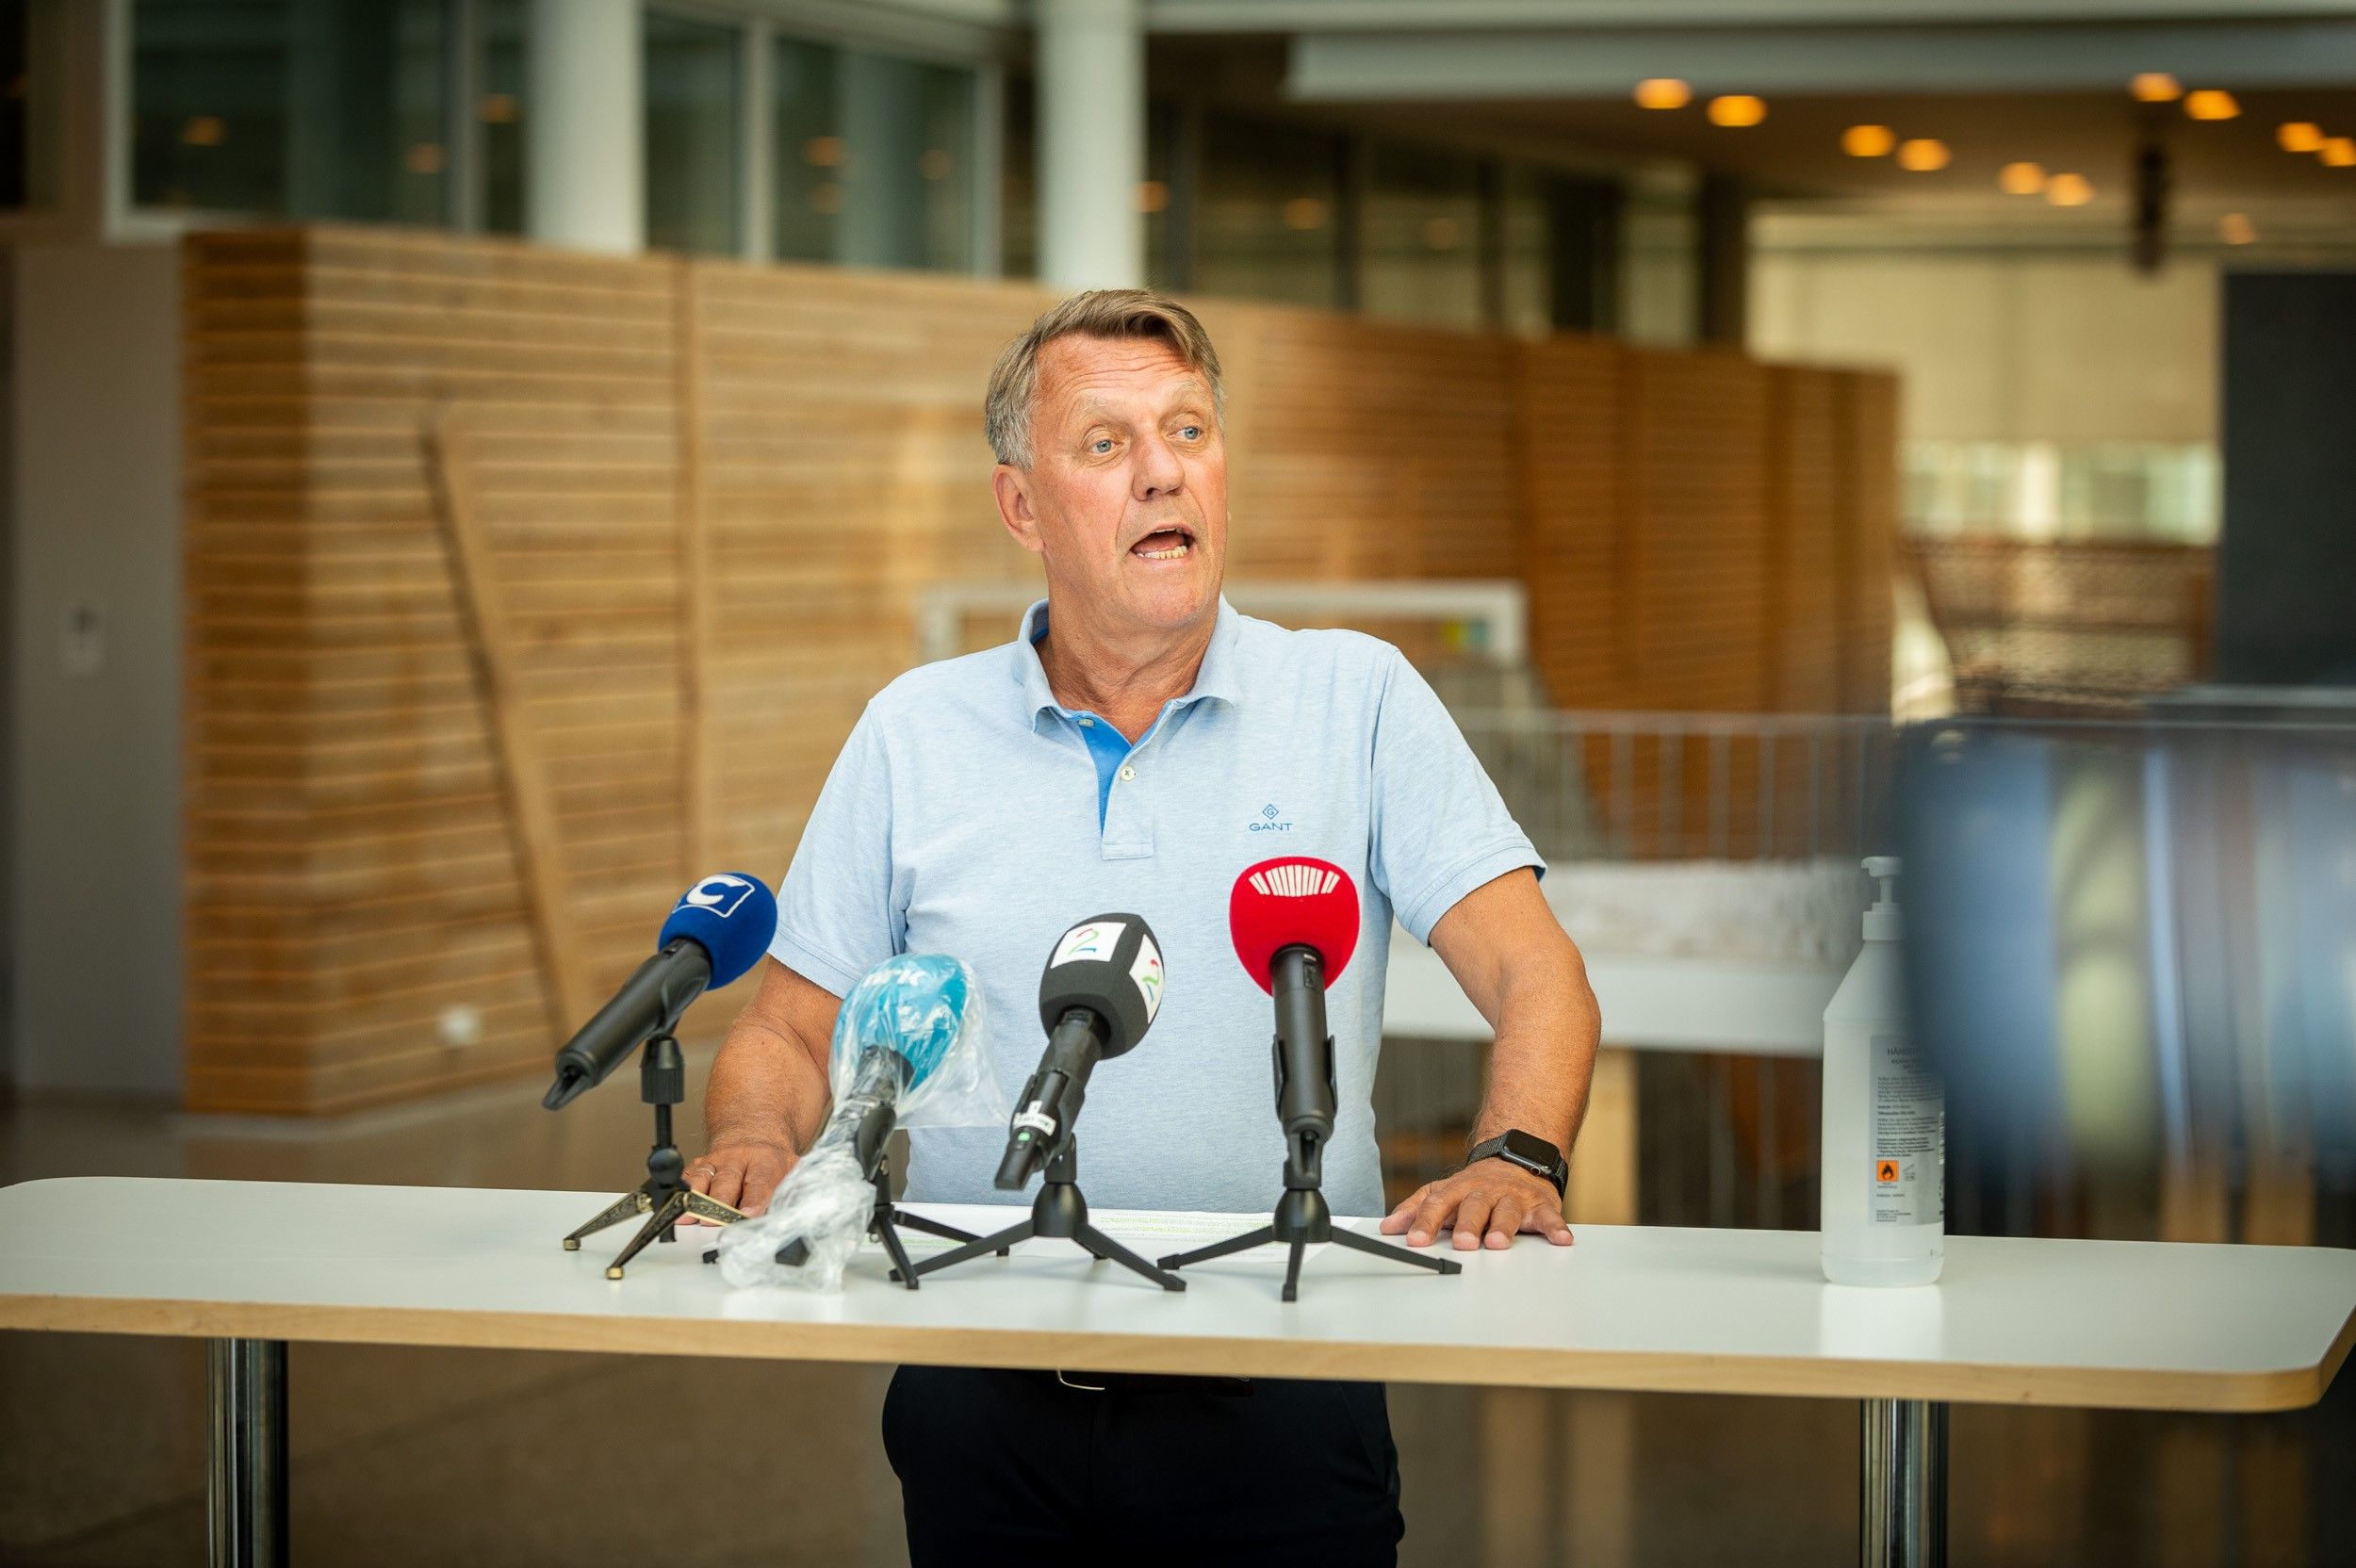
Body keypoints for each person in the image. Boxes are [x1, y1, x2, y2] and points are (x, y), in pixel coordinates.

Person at [686, 289, 1602, 1565]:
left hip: (1285, 1381)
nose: (1164, 471)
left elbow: (1536, 971)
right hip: (981, 1381)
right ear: (1021, 507)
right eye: (1107, 443)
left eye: (1189, 430)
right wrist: (754, 1136)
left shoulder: (1356, 698)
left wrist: (1517, 1156)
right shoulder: (913, 731)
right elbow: (790, 1027)